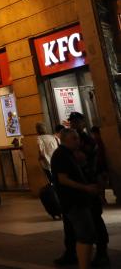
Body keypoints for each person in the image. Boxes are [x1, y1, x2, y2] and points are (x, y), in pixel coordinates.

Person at [51, 128, 105, 269]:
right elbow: (63, 179)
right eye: (74, 138)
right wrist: (85, 188)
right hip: (74, 202)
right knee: (85, 235)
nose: (78, 141)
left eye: (77, 138)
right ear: (64, 139)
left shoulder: (72, 154)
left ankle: (83, 261)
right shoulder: (61, 155)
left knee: (86, 234)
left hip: (79, 201)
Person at [66, 113, 110, 266]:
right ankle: (75, 253)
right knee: (77, 222)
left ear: (83, 123)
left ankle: (102, 252)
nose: (73, 125)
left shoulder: (88, 141)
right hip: (79, 188)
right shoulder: (71, 142)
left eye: (76, 122)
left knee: (95, 220)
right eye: (71, 122)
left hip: (90, 184)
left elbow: (91, 163)